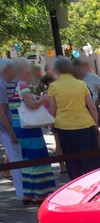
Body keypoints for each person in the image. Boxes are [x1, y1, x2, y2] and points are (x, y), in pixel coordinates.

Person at [47, 57, 100, 180]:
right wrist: (95, 125)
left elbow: (52, 110)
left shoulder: (53, 87)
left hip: (64, 127)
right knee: (90, 161)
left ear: (56, 70)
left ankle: (76, 187)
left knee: (72, 162)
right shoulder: (81, 84)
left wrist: (52, 125)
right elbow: (92, 107)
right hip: (85, 124)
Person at [11, 58, 56, 203]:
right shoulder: (22, 84)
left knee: (28, 159)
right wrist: (42, 100)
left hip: (18, 125)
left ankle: (28, 192)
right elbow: (30, 105)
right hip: (29, 128)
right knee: (39, 157)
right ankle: (41, 192)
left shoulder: (10, 84)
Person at [0, 58, 24, 200]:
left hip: (11, 127)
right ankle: (22, 192)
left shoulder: (7, 84)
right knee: (17, 159)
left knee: (18, 158)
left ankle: (24, 191)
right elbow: (1, 112)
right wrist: (11, 133)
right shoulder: (2, 85)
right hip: (7, 128)